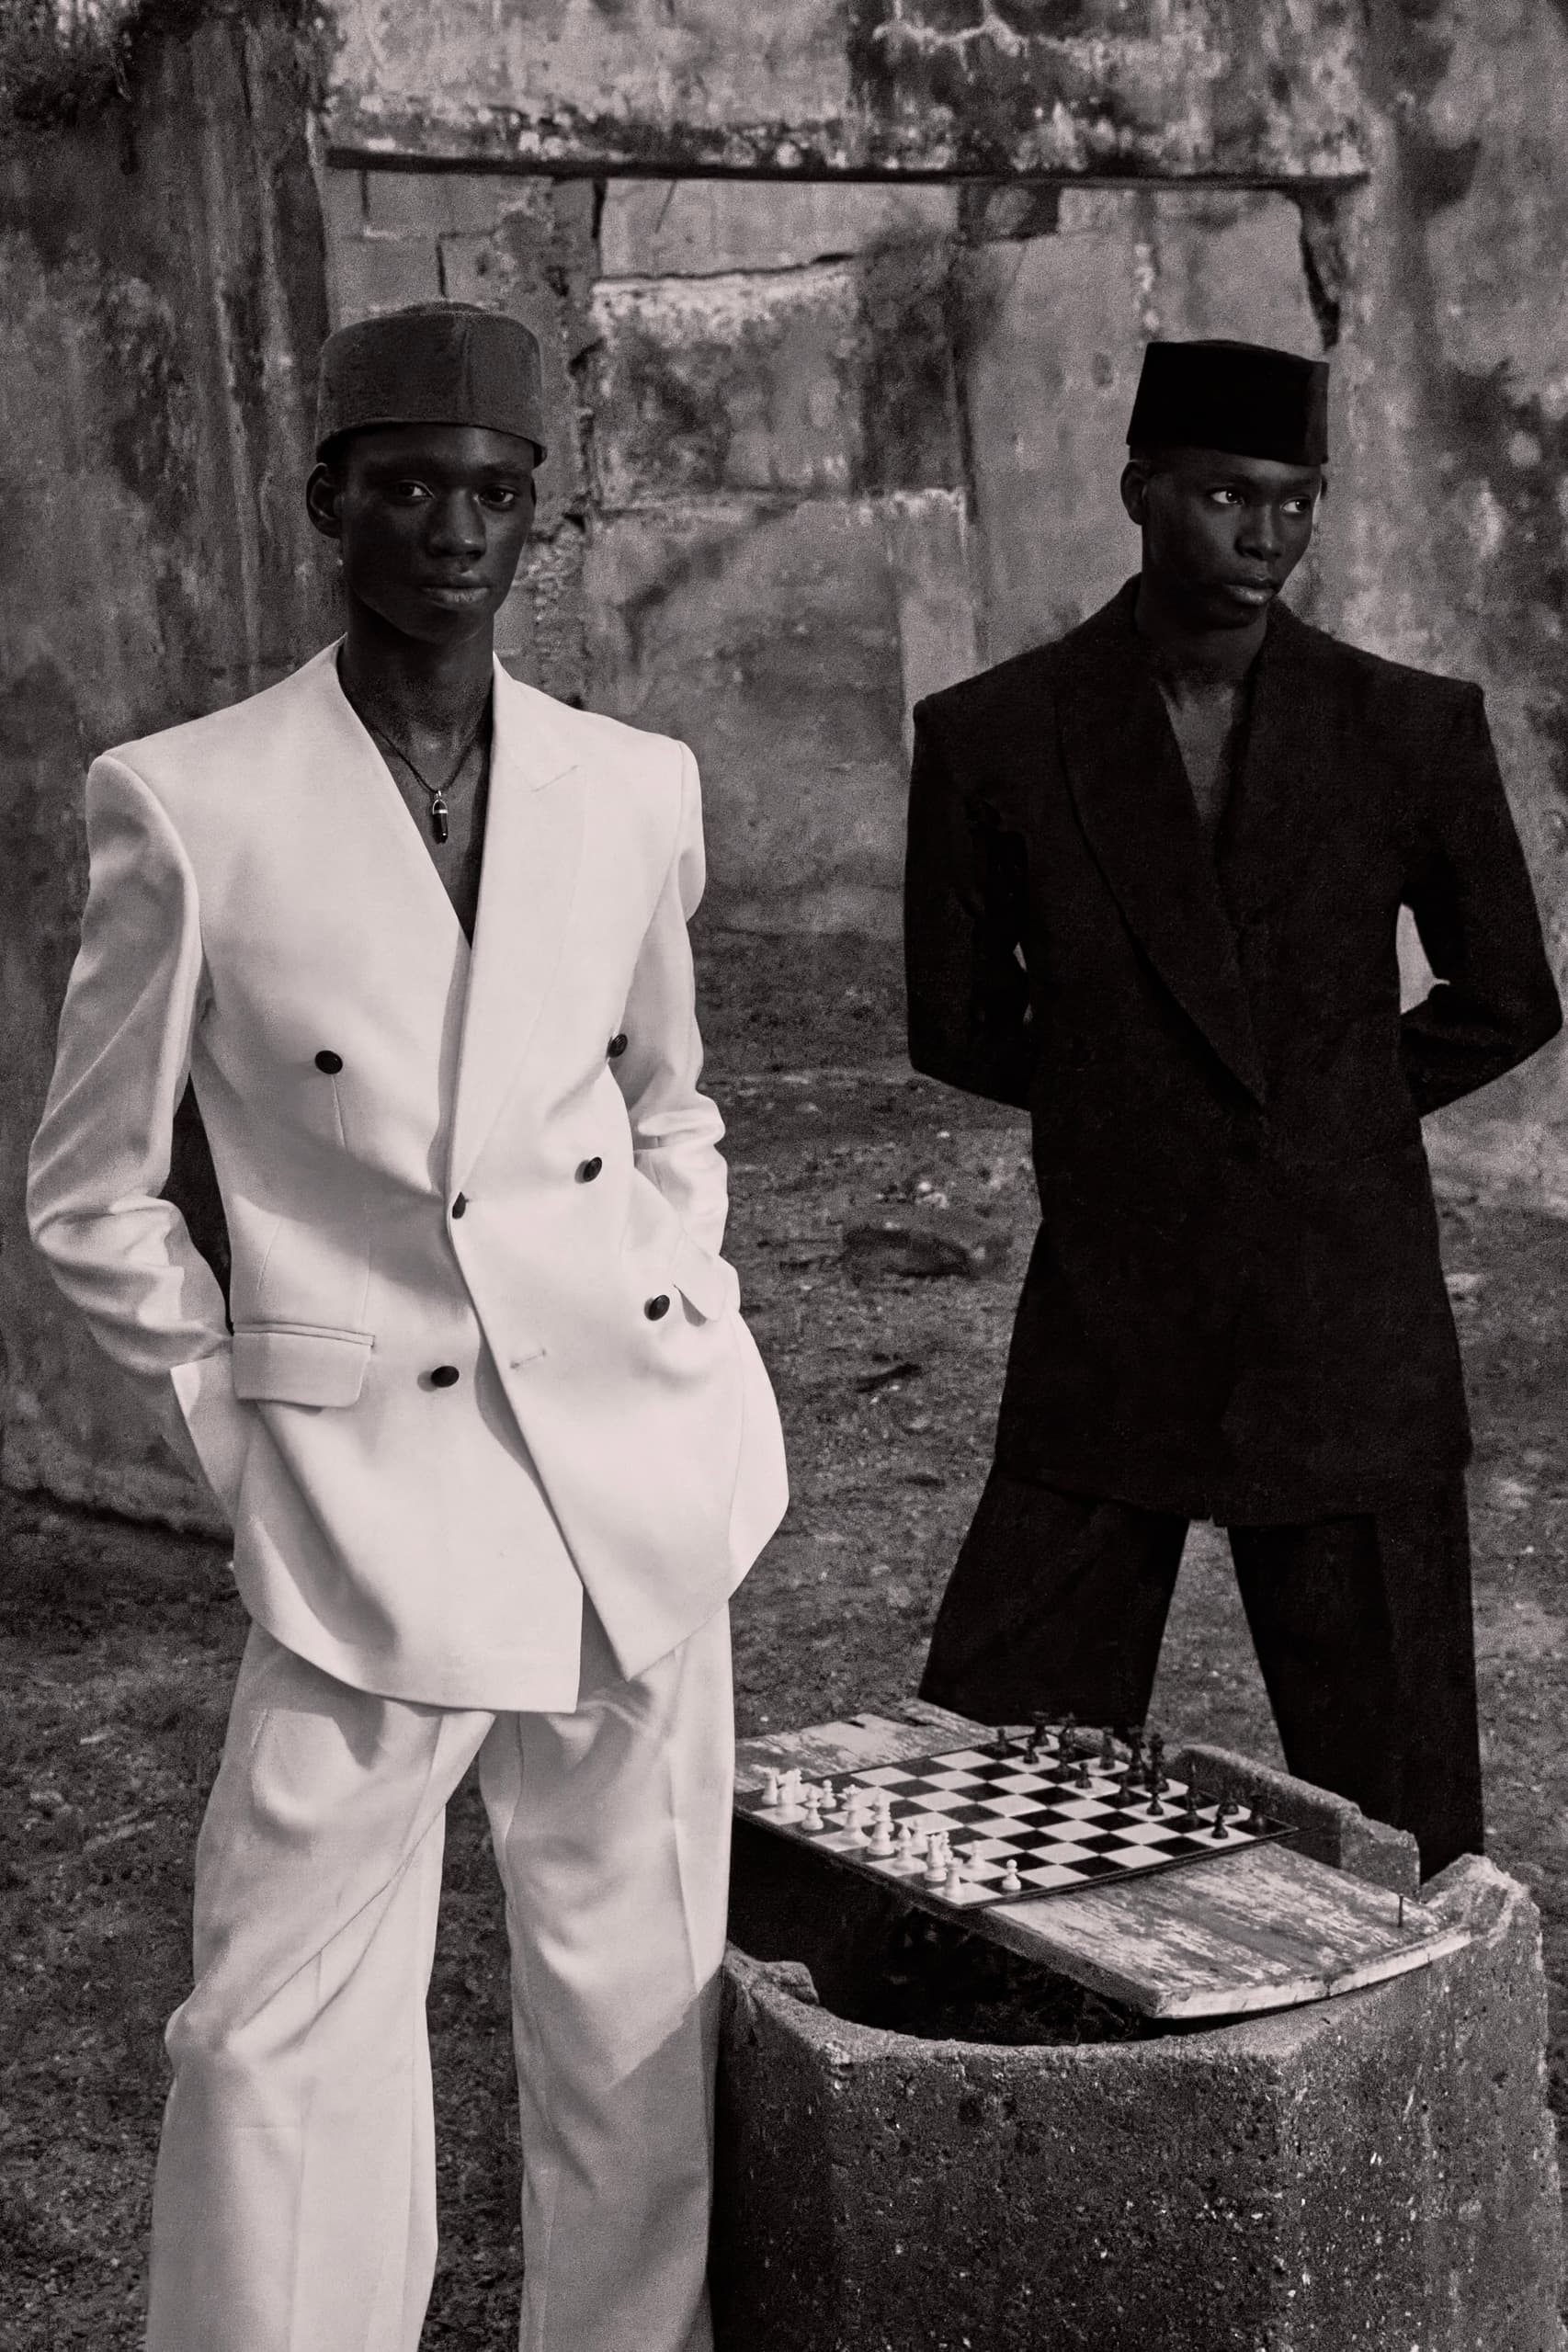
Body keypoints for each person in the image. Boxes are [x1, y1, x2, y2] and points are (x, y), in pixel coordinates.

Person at [28, 299, 788, 2352]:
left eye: (495, 494)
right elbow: (88, 1185)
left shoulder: (635, 786)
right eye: (410, 489)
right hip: (362, 1488)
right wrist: (234, 1407)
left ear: (538, 519)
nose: (454, 531)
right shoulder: (189, 803)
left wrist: (692, 1289)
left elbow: (668, 1092)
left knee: (638, 2000)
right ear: (326, 503)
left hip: (633, 1462)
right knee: (271, 2028)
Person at [905, 335, 1561, 1879]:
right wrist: (1136, 1113)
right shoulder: (994, 733)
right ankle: (974, 2039)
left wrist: (1319, 1111)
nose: (1261, 536)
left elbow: (1508, 996)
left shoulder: (1407, 728)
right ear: (1138, 492)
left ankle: (1418, 2039)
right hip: (1116, 1292)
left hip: (1343, 1297)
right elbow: (955, 1020)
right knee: (1001, 1759)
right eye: (1219, 496)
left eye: (1292, 502)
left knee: (1397, 1788)